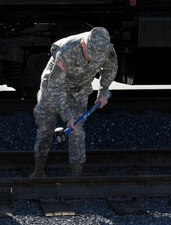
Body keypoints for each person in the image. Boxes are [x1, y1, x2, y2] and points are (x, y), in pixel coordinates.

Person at [30, 27, 118, 177]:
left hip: (79, 89)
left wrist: (103, 91)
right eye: (90, 56)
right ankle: (38, 171)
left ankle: (76, 176)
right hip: (53, 87)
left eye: (97, 58)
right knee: (45, 128)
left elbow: (110, 67)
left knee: (76, 130)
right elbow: (56, 86)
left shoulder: (106, 49)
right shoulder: (66, 51)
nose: (93, 60)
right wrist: (67, 116)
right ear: (84, 44)